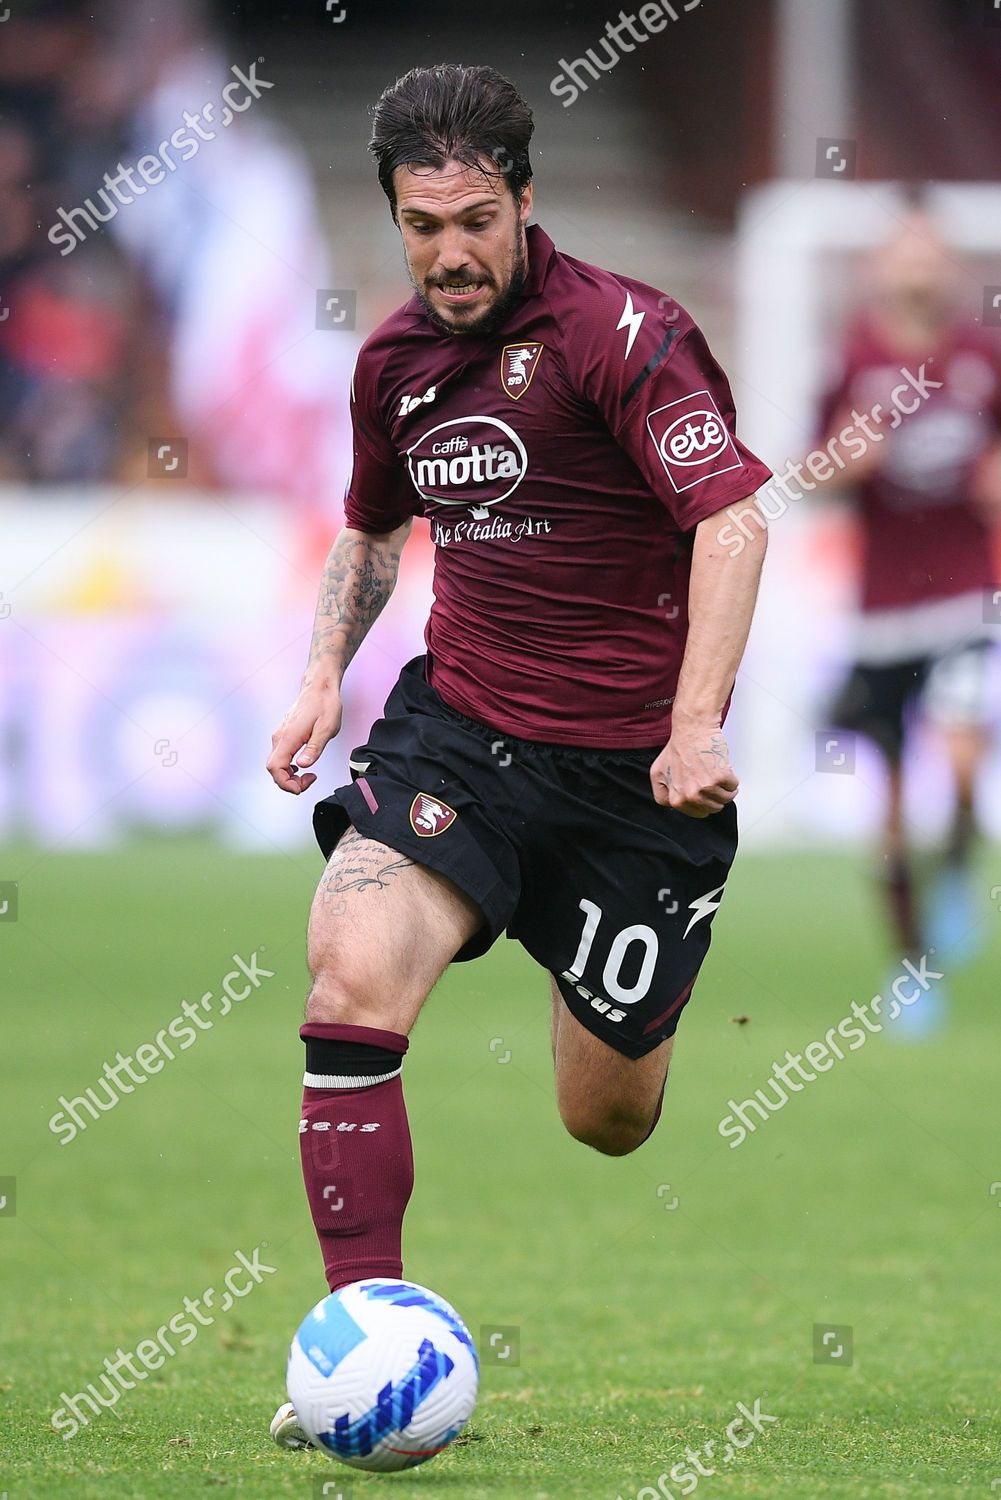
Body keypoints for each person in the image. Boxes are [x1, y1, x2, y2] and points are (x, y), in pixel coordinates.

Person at [265, 63, 769, 1447]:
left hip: (631, 785)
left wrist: (695, 722)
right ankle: (361, 1345)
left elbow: (732, 522)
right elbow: (374, 532)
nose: (450, 252)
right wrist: (322, 678)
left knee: (605, 1124)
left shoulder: (622, 332)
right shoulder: (393, 366)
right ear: (393, 217)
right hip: (464, 739)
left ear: (525, 201)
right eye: (422, 225)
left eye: (475, 219)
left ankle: (609, 986)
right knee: (347, 965)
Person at [818, 210, 1001, 992]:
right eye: (904, 251)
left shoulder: (980, 356)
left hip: (964, 601)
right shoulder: (851, 362)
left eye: (930, 251)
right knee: (887, 804)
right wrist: (843, 462)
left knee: (961, 761)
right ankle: (909, 966)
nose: (918, 265)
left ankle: (959, 870)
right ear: (880, 268)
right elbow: (806, 472)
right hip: (879, 613)